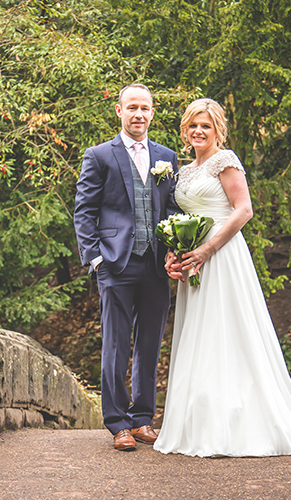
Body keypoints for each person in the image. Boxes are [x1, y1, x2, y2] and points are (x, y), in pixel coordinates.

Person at [154, 98, 291, 457]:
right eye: (193, 125)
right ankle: (199, 423)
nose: (198, 131)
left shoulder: (225, 162)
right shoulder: (184, 170)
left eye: (206, 126)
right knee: (200, 336)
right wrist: (174, 252)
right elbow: (179, 217)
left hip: (222, 258)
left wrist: (209, 250)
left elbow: (243, 210)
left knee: (229, 332)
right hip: (192, 260)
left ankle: (238, 423)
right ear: (184, 129)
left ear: (217, 130)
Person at [74, 84, 179, 451]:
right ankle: (117, 423)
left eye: (145, 108)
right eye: (132, 107)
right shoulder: (100, 155)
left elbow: (170, 210)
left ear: (153, 113)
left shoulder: (166, 156)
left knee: (150, 343)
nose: (139, 114)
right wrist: (96, 258)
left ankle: (143, 420)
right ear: (119, 111)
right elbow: (84, 211)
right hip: (115, 263)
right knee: (116, 345)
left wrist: (174, 251)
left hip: (155, 264)